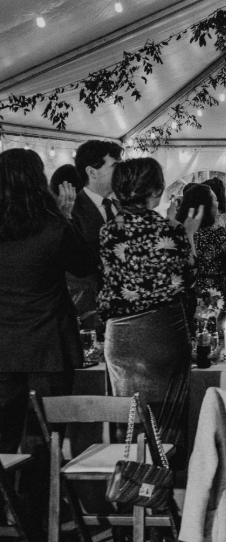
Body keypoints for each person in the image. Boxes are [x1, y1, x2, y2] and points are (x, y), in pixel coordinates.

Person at [0, 149, 97, 537]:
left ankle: (7, 515)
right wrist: (67, 216)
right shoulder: (54, 227)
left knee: (2, 440)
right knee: (47, 439)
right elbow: (86, 265)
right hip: (49, 347)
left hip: (3, 349)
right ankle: (39, 520)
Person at [99, 157, 197, 441]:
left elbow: (107, 280)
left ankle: (131, 474)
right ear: (155, 189)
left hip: (120, 336)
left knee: (128, 417)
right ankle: (162, 479)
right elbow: (188, 278)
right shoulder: (171, 229)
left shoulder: (107, 231)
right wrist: (188, 235)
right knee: (167, 419)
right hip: (163, 330)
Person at [68, 139, 123, 330]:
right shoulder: (73, 211)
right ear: (92, 172)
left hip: (126, 308)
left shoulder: (120, 205)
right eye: (115, 166)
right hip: (93, 313)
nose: (121, 172)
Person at [177, 184, 226, 310]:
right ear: (206, 206)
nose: (218, 203)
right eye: (215, 200)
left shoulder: (178, 232)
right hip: (216, 294)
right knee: (215, 327)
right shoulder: (218, 234)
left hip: (187, 295)